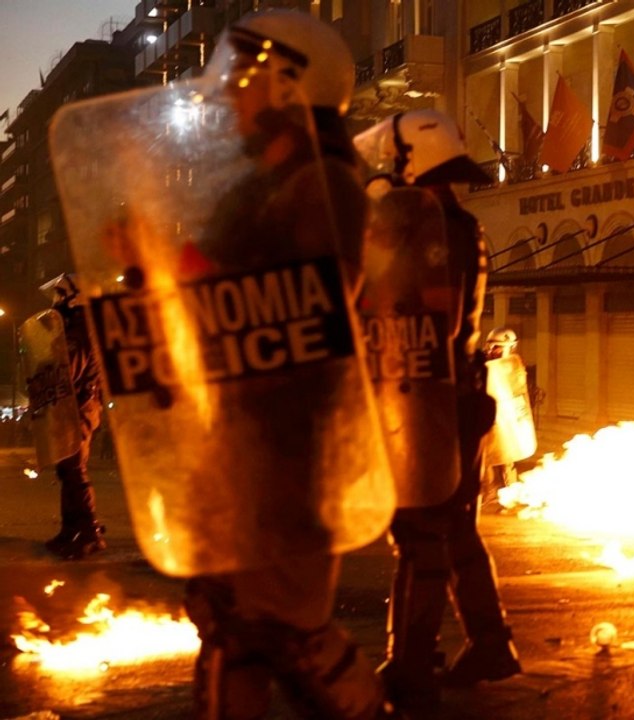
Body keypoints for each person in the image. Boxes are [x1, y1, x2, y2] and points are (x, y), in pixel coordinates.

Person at [172, 11, 397, 718]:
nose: (231, 99)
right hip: (244, 439)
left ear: (289, 87)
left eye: (244, 83)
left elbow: (307, 314)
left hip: (292, 445)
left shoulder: (324, 185)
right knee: (232, 623)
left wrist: (200, 284)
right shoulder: (261, 191)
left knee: (282, 630)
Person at [365, 109, 521, 711]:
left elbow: (427, 320)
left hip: (435, 396)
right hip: (449, 393)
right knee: (454, 529)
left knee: (421, 532)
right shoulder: (449, 221)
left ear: (412, 161)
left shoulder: (432, 227)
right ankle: (489, 643)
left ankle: (411, 664)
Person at [40, 274, 106, 561]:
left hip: (81, 405)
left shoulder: (81, 326)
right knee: (67, 468)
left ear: (73, 297)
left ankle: (89, 533)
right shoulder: (75, 324)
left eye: (60, 294)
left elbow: (72, 368)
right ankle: (71, 529)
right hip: (74, 404)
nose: (56, 300)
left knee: (74, 468)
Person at [481, 327, 520, 508]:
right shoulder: (483, 363)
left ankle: (510, 495)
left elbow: (517, 391)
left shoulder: (513, 367)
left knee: (506, 457)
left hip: (505, 419)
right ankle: (490, 494)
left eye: (498, 347)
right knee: (486, 458)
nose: (493, 350)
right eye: (492, 346)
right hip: (487, 417)